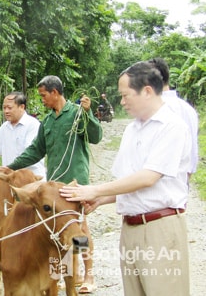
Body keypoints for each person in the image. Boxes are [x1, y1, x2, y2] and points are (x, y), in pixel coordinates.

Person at [60, 61, 191, 295]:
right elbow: (128, 179)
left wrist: (95, 191)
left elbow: (148, 177)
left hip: (159, 228)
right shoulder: (132, 130)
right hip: (130, 228)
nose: (122, 102)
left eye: (125, 95)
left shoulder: (172, 126)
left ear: (147, 91)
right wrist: (103, 200)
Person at [6, 75, 103, 293]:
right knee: (53, 232)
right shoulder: (47, 121)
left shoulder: (77, 114)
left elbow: (96, 136)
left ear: (55, 93)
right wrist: (9, 167)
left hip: (75, 183)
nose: (41, 100)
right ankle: (60, 273)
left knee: (80, 228)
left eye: (43, 96)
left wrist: (88, 113)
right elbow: (36, 150)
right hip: (54, 188)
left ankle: (86, 274)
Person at [148, 58, 199, 180]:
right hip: (182, 181)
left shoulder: (155, 108)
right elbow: (192, 151)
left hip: (158, 183)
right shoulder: (188, 109)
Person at [0, 91, 45, 178]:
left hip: (32, 179)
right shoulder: (4, 127)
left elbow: (29, 154)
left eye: (10, 108)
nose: (6, 111)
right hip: (9, 178)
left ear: (22, 107)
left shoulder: (33, 125)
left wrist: (9, 168)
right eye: (4, 108)